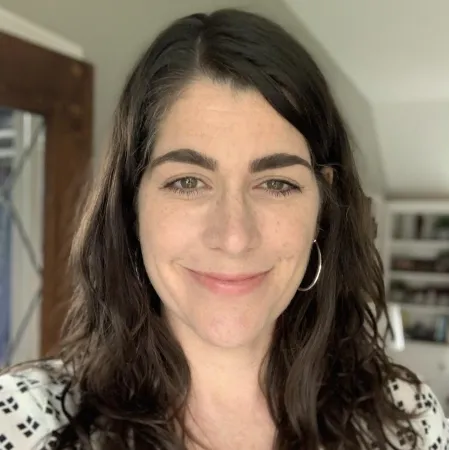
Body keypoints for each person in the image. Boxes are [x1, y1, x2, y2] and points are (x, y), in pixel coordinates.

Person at [0, 8, 447, 450]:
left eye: (276, 183)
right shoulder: (26, 421)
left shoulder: (407, 421)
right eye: (188, 182)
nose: (234, 237)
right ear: (131, 205)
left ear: (322, 208)